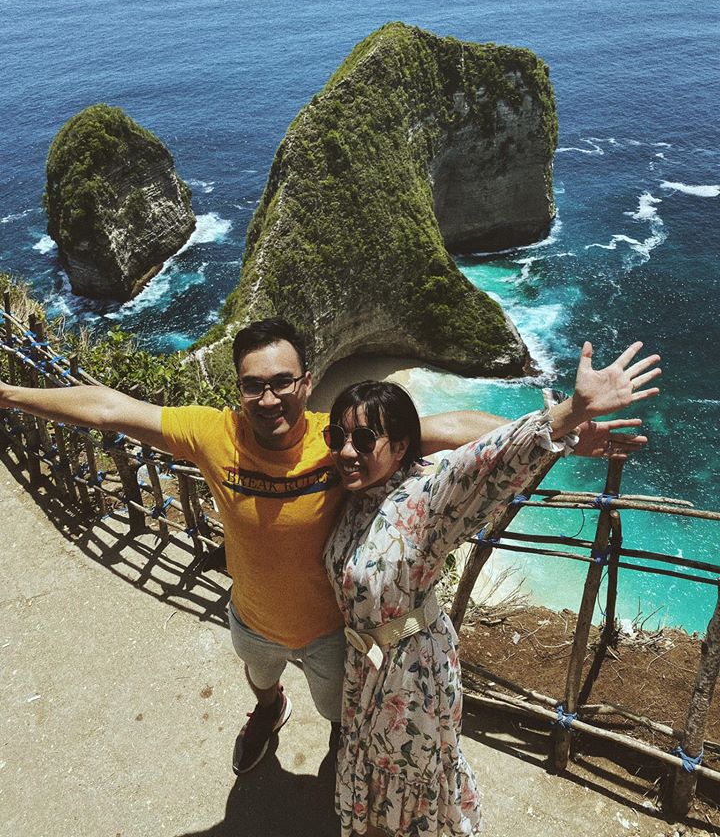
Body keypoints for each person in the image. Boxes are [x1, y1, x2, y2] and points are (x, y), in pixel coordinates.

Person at [3, 317, 642, 774]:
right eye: (253, 384)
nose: (268, 398)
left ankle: (343, 751)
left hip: (332, 633)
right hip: (250, 617)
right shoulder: (211, 433)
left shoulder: (340, 442)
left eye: (282, 381)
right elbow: (108, 407)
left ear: (307, 382)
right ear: (238, 388)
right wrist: (7, 394)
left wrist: (563, 429)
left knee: (341, 715)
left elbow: (451, 429)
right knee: (260, 680)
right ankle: (268, 711)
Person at [322, 341, 661, 837]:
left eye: (364, 439)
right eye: (338, 437)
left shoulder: (427, 498)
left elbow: (486, 460)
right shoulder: (352, 492)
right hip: (364, 666)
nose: (347, 451)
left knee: (407, 778)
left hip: (411, 673)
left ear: (399, 447)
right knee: (372, 769)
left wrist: (569, 413)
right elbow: (454, 425)